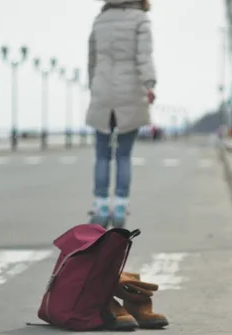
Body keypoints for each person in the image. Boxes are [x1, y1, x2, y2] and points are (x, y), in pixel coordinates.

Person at [86, 0, 157, 227]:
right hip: (129, 94)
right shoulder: (140, 19)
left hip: (103, 92)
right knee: (124, 155)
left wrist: (94, 87)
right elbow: (144, 56)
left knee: (102, 155)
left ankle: (100, 205)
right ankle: (120, 206)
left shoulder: (100, 19)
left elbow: (92, 60)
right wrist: (149, 84)